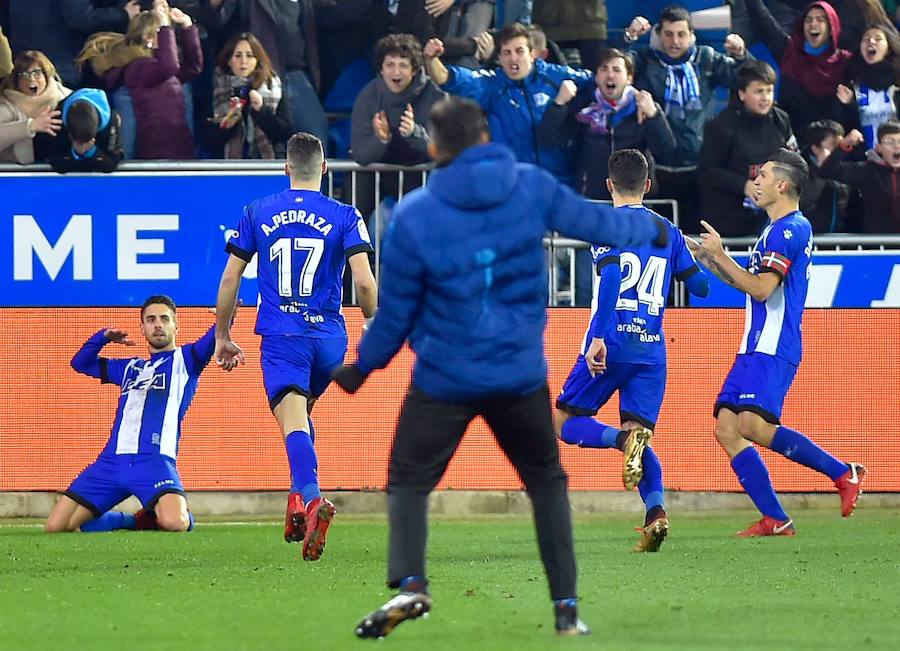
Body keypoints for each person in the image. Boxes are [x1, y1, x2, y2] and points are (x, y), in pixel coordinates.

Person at [330, 97, 669, 638]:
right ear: (486, 137)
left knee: (409, 480)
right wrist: (651, 233)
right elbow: (593, 222)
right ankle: (565, 609)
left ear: (435, 147)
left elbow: (395, 316)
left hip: (443, 378)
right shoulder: (529, 185)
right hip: (518, 375)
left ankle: (413, 584)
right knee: (546, 484)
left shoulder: (414, 213)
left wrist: (361, 369)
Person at [214, 132, 378, 562]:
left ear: (286, 168)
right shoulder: (345, 214)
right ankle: (295, 502)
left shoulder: (256, 212)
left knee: (292, 423)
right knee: (301, 416)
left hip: (282, 336)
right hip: (329, 340)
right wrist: (374, 322)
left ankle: (311, 499)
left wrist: (222, 336)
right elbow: (363, 280)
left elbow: (230, 279)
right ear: (324, 169)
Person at [686, 149, 866, 537]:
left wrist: (720, 257)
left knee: (751, 425)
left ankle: (844, 473)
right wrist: (709, 258)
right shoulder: (773, 230)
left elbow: (762, 289)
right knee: (727, 428)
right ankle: (776, 518)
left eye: (764, 175)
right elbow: (748, 285)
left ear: (782, 184)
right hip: (754, 345)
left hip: (774, 343)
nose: (757, 181)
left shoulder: (790, 229)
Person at [554, 148, 709, 553]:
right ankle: (655, 513)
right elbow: (701, 288)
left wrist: (600, 337)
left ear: (609, 186)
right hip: (651, 351)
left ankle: (619, 444)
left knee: (563, 422)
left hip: (611, 342)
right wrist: (697, 255)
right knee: (641, 433)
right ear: (649, 185)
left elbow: (609, 282)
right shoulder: (668, 231)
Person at [45, 295, 216, 534]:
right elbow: (80, 363)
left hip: (154, 462)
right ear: (142, 328)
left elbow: (215, 337)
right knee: (56, 527)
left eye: (164, 319)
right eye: (151, 319)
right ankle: (132, 520)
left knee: (175, 523)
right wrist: (103, 337)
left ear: (176, 325)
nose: (158, 324)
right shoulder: (129, 368)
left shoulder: (186, 360)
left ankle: (156, 516)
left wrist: (225, 318)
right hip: (111, 463)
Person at [623, 5, 750, 234]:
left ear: (691, 35)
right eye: (668, 34)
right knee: (660, 240)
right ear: (659, 34)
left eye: (681, 34)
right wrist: (629, 37)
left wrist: (741, 55)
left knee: (694, 238)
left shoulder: (707, 59)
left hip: (697, 165)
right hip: (657, 169)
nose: (674, 41)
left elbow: (745, 79)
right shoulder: (645, 59)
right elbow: (615, 67)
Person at [423, 22, 593, 186]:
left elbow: (598, 81)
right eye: (507, 53)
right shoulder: (492, 86)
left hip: (559, 183)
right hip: (514, 186)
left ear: (532, 54)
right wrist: (430, 60)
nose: (513, 59)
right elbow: (447, 78)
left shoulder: (555, 77)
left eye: (519, 51)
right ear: (499, 58)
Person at [537, 47, 676, 200]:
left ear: (629, 78)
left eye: (617, 70)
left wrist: (654, 115)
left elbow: (666, 150)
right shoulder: (583, 107)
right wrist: (558, 104)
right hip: (593, 199)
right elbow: (548, 140)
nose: (610, 75)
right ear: (596, 77)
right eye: (604, 69)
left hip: (635, 200)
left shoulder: (644, 107)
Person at [78, 4, 202, 159]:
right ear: (148, 38)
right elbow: (169, 66)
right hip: (156, 155)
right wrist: (164, 25)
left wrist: (187, 26)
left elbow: (193, 67)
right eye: (162, 33)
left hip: (179, 151)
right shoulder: (138, 68)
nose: (168, 38)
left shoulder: (160, 69)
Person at [348, 33, 447, 225]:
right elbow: (360, 154)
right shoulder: (368, 97)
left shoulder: (435, 96)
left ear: (414, 70)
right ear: (381, 69)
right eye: (390, 65)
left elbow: (444, 152)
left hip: (419, 176)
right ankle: (352, 250)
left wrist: (413, 134)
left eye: (403, 65)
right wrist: (381, 139)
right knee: (356, 182)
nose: (396, 72)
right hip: (381, 176)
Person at [698, 60, 797, 237]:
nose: (766, 97)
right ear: (742, 94)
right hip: (729, 218)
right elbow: (708, 170)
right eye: (759, 91)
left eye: (769, 91)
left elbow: (792, 160)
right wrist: (745, 186)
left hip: (772, 214)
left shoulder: (781, 119)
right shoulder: (720, 126)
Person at [743, 0, 852, 134]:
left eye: (820, 20)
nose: (813, 24)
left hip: (834, 144)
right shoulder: (790, 52)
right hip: (793, 143)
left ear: (831, 28)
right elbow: (763, 20)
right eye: (808, 20)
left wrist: (851, 101)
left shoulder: (845, 62)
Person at [202, 31, 293, 159]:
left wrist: (262, 111)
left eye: (249, 56)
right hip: (226, 166)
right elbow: (207, 140)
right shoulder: (217, 88)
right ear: (229, 60)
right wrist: (227, 125)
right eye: (238, 56)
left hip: (268, 163)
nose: (243, 61)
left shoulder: (272, 85)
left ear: (257, 60)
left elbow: (285, 133)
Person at [819, 121, 900, 233]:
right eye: (890, 142)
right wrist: (845, 144)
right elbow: (828, 170)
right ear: (878, 147)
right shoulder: (867, 171)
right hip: (879, 245)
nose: (897, 146)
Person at [834, 22, 900, 150]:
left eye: (878, 38)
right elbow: (843, 127)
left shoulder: (897, 81)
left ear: (889, 48)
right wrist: (849, 103)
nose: (871, 41)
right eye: (866, 39)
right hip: (864, 158)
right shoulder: (850, 81)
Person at [0, 50, 68, 164]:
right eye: (24, 74)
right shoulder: (6, 104)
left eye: (36, 73)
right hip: (17, 175)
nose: (31, 79)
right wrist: (30, 126)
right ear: (16, 80)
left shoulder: (65, 97)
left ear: (46, 76)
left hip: (61, 171)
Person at [37, 87, 124, 173]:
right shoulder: (57, 119)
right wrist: (74, 153)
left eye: (86, 142)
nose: (83, 146)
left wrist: (92, 151)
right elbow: (57, 162)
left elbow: (112, 162)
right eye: (79, 142)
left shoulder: (112, 121)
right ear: (70, 135)